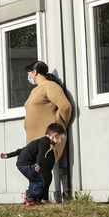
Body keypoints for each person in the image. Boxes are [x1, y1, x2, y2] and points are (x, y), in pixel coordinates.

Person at [21, 61, 73, 201]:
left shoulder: (50, 86)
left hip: (46, 138)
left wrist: (59, 125)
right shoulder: (34, 90)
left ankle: (41, 198)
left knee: (43, 167)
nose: (28, 75)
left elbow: (65, 107)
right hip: (33, 138)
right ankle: (35, 196)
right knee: (34, 169)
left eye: (29, 71)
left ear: (36, 72)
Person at [1, 123, 66, 206]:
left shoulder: (41, 142)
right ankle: (30, 197)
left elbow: (23, 149)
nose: (61, 141)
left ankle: (35, 200)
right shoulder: (45, 143)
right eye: (61, 139)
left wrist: (8, 155)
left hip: (23, 164)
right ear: (55, 135)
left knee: (36, 180)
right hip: (26, 164)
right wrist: (38, 164)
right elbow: (41, 154)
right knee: (38, 182)